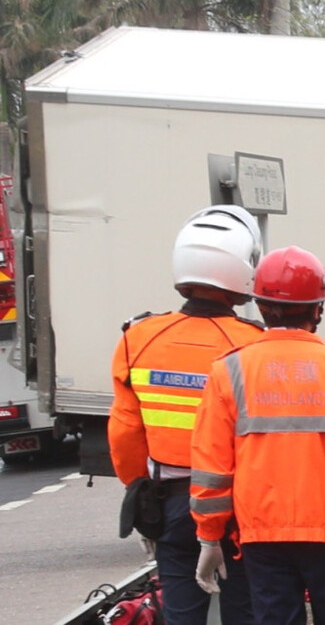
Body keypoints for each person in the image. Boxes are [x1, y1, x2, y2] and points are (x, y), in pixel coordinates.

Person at [190, 246, 325, 625]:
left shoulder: (229, 371)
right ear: (317, 308)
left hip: (261, 535)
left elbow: (211, 467)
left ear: (260, 304)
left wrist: (209, 535)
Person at [108, 205, 260, 625]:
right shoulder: (250, 344)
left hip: (167, 506)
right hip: (237, 508)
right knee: (244, 611)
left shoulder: (138, 337)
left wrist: (137, 494)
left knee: (181, 612)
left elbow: (124, 435)